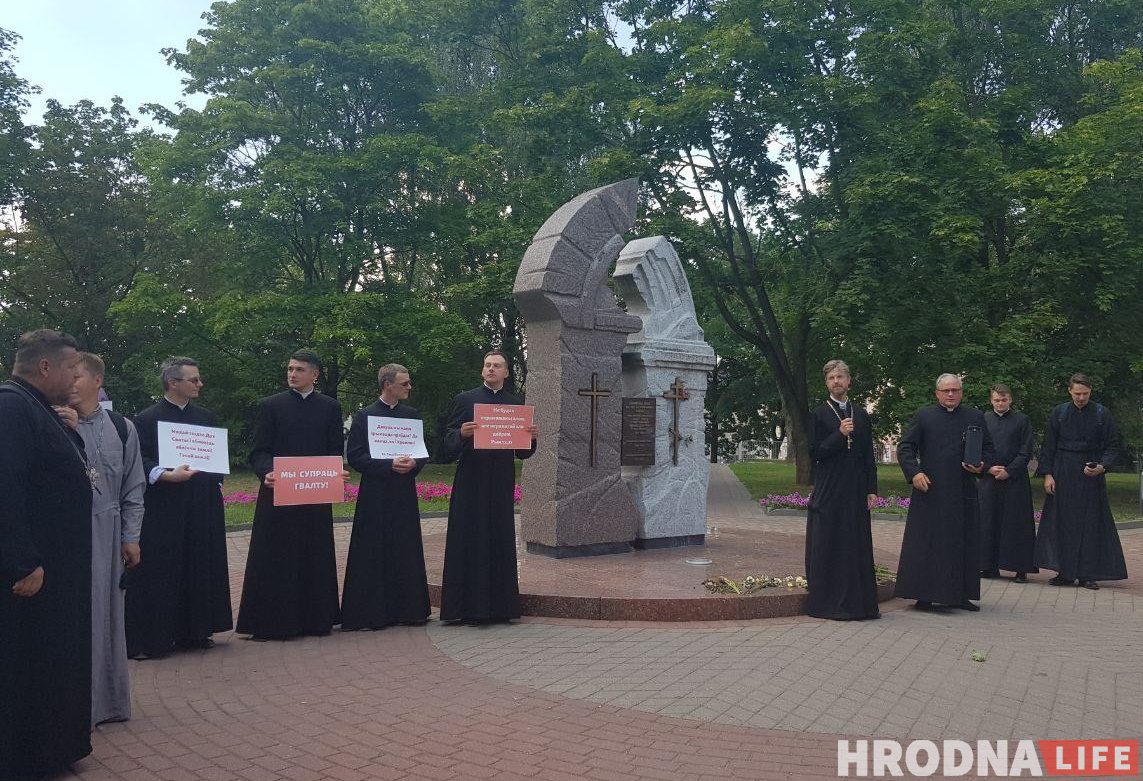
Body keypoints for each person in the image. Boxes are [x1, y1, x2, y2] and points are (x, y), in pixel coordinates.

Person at [0, 329, 92, 780]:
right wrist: (22, 561)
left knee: (51, 660)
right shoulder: (11, 407)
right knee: (27, 666)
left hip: (57, 570)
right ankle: (26, 757)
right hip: (32, 572)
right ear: (45, 367)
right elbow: (4, 488)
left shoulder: (41, 409)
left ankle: (51, 748)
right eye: (73, 367)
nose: (79, 376)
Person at [126, 357, 233, 659]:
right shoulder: (146, 420)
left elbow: (216, 457)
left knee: (199, 562)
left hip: (201, 503)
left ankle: (196, 630)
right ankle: (157, 635)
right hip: (165, 505)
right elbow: (139, 461)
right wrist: (165, 474)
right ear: (173, 383)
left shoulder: (207, 418)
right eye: (194, 380)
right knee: (163, 567)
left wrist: (218, 478)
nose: (200, 384)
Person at [236, 350, 346, 639]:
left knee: (315, 554)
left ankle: (316, 620)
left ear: (315, 375)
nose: (292, 374)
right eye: (289, 368)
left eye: (299, 369)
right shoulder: (271, 406)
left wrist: (336, 472)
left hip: (314, 496)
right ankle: (272, 622)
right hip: (278, 494)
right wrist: (267, 472)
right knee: (276, 556)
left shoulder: (330, 408)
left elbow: (334, 451)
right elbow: (259, 452)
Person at [70, 353, 146, 725]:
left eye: (78, 375)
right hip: (68, 532)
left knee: (106, 616)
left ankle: (107, 704)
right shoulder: (51, 420)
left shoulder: (121, 427)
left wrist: (131, 535)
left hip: (110, 530)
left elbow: (134, 485)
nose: (71, 381)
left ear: (97, 381)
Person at [439, 350, 538, 624]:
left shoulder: (515, 405)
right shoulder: (465, 400)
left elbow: (524, 454)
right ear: (482, 371)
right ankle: (464, 609)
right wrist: (460, 434)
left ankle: (501, 608)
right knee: (468, 540)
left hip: (500, 484)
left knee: (499, 539)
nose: (491, 369)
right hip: (471, 482)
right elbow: (445, 447)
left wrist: (531, 438)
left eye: (497, 366)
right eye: (487, 365)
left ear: (506, 373)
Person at [341, 364, 431, 629]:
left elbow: (422, 451)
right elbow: (356, 456)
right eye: (404, 384)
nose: (409, 387)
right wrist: (387, 465)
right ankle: (371, 612)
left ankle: (408, 610)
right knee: (373, 549)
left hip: (403, 492)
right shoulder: (365, 416)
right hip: (375, 494)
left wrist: (415, 464)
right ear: (387, 385)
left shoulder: (411, 415)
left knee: (405, 548)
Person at [895, 373, 995, 611]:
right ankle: (924, 595)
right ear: (937, 393)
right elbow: (905, 447)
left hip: (963, 491)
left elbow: (989, 450)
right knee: (928, 543)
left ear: (961, 392)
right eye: (946, 391)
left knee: (963, 543)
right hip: (931, 490)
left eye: (955, 390)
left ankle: (960, 595)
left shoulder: (975, 416)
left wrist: (982, 465)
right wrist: (914, 473)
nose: (951, 394)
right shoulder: (924, 416)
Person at [1034, 373, 1127, 590]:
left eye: (1085, 394)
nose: (1081, 398)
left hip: (1091, 473)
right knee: (1062, 522)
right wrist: (1048, 474)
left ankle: (1087, 574)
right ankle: (1064, 572)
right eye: (1077, 393)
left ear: (1090, 391)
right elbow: (1049, 445)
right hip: (1063, 470)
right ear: (1070, 391)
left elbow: (1113, 446)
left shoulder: (1102, 414)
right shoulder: (1059, 413)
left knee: (1090, 524)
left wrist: (1102, 466)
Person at [804, 360, 880, 620]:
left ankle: (860, 604)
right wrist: (838, 434)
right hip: (829, 486)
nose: (836, 382)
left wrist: (872, 487)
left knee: (854, 541)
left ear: (849, 381)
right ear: (827, 383)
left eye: (840, 377)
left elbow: (868, 454)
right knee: (829, 539)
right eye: (831, 378)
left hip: (855, 487)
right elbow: (815, 452)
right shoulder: (818, 413)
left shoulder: (861, 414)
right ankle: (827, 602)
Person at [978, 384, 1037, 583]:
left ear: (1010, 400)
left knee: (1016, 524)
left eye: (1004, 400)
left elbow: (1025, 450)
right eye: (996, 400)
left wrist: (1010, 471)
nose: (1000, 403)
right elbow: (976, 448)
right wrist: (988, 468)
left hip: (1015, 480)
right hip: (990, 478)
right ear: (991, 400)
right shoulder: (983, 419)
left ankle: (1020, 569)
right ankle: (988, 566)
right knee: (988, 522)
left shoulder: (1022, 420)